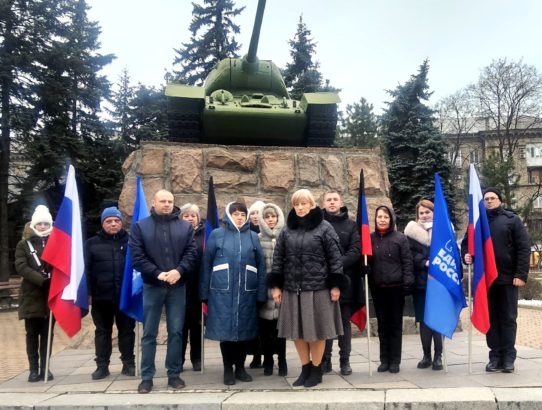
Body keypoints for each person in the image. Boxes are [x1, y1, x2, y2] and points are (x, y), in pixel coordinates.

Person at [269, 189, 346, 388]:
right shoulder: (287, 230)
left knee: (317, 331)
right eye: (297, 204)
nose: (300, 207)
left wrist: (335, 285)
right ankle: (305, 368)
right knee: (298, 332)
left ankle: (317, 369)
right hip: (292, 288)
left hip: (318, 289)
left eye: (304, 203)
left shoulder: (324, 227)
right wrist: (276, 286)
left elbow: (335, 258)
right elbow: (278, 259)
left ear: (312, 204)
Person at [130, 189, 197, 393]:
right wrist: (158, 273)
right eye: (163, 201)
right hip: (153, 285)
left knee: (176, 332)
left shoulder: (185, 227)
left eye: (170, 201)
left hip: (177, 287)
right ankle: (147, 377)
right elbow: (137, 257)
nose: (167, 204)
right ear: (154, 202)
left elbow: (192, 252)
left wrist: (179, 270)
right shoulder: (140, 227)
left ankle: (174, 375)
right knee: (149, 333)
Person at [461, 187, 530, 373]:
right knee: (491, 318)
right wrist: (466, 255)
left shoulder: (512, 220)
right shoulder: (478, 223)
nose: (489, 201)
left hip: (508, 279)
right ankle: (495, 356)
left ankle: (508, 357)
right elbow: (467, 243)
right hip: (486, 281)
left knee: (508, 318)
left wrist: (520, 274)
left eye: (492, 198)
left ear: (500, 200)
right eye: (486, 199)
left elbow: (524, 248)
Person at [200, 202, 267, 385]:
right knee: (226, 333)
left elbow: (261, 267)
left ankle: (240, 367)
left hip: (247, 293)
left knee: (244, 333)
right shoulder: (217, 235)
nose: (239, 217)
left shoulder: (253, 237)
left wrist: (261, 293)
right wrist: (204, 293)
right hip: (222, 294)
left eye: (242, 214)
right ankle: (228, 368)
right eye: (236, 214)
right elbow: (206, 265)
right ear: (229, 215)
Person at [85, 206, 135, 380]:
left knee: (127, 331)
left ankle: (128, 363)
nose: (113, 224)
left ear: (121, 222)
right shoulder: (92, 243)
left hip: (124, 296)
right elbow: (87, 270)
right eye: (109, 221)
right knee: (102, 332)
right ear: (103, 223)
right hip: (101, 297)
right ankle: (102, 366)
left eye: (116, 220)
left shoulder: (131, 241)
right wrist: (89, 293)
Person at [369, 205, 413, 374]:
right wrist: (364, 268)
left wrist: (408, 281)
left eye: (386, 217)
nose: (382, 220)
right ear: (375, 219)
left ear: (391, 219)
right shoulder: (370, 238)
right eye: (380, 216)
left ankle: (395, 360)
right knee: (382, 325)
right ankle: (384, 359)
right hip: (378, 287)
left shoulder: (400, 238)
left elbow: (407, 261)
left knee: (395, 325)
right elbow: (365, 260)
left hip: (396, 288)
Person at [320, 190, 361, 376]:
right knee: (326, 322)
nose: (332, 202)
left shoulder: (351, 225)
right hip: (324, 281)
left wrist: (337, 265)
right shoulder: (318, 225)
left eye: (335, 199)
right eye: (328, 200)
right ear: (323, 203)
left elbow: (355, 250)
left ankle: (345, 360)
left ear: (341, 202)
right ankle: (325, 360)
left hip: (345, 281)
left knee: (344, 323)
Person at [15, 205, 55, 382]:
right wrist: (40, 279)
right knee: (32, 334)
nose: (43, 227)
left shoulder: (56, 241)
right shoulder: (23, 244)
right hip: (31, 295)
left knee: (47, 334)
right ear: (34, 225)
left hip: (50, 295)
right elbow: (21, 266)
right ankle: (33, 369)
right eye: (40, 224)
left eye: (46, 223)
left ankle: (45, 368)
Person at [404, 199, 443, 371]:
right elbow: (408, 255)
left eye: (428, 211)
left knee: (438, 320)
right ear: (417, 215)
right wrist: (424, 262)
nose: (425, 215)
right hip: (420, 284)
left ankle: (438, 356)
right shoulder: (411, 233)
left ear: (433, 212)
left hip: (439, 283)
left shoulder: (443, 230)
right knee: (424, 321)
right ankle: (426, 355)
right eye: (421, 213)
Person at [257, 202, 287, 376]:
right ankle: (267, 360)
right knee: (265, 330)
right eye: (267, 216)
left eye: (273, 216)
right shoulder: (258, 238)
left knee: (280, 329)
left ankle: (282, 361)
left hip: (282, 290)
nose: (270, 220)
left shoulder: (285, 237)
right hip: (264, 290)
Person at [179, 203, 204, 372]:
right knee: (179, 326)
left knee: (196, 325)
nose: (190, 218)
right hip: (180, 286)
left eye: (193, 215)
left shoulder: (205, 235)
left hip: (198, 285)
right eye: (186, 215)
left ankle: (197, 359)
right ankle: (178, 360)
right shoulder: (176, 234)